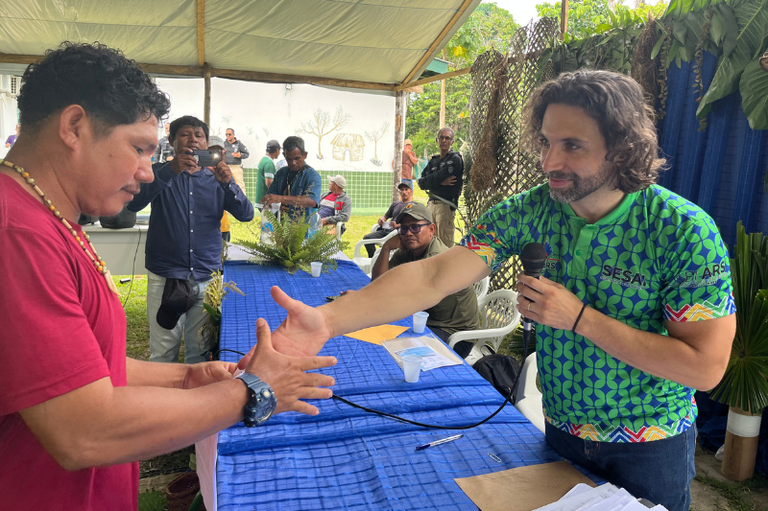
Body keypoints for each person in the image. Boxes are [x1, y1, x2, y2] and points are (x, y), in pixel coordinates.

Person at [264, 70, 737, 511]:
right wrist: (327, 320)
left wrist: (580, 319)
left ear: (622, 148)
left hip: (649, 446)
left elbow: (705, 367)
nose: (551, 162)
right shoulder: (530, 211)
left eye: (572, 145)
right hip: (560, 430)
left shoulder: (681, 231)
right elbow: (432, 276)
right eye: (547, 143)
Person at [0, 41, 336, 511]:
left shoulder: (42, 217)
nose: (143, 171)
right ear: (74, 127)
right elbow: (84, 430)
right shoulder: (17, 232)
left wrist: (186, 378)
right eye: (139, 148)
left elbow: (92, 369)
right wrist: (253, 391)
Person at [127, 116, 254, 364]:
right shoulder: (157, 173)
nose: (193, 140)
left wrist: (229, 184)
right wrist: (172, 170)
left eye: (199, 135)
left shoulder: (217, 179)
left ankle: (195, 401)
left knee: (200, 352)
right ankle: (163, 402)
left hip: (206, 276)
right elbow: (133, 204)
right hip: (166, 276)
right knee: (163, 352)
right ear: (173, 141)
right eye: (185, 134)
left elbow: (247, 215)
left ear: (206, 143)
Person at [371, 202, 479, 356]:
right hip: (426, 321)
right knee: (378, 337)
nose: (408, 233)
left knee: (390, 349)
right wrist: (386, 248)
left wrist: (365, 301)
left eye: (415, 227)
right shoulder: (408, 250)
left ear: (431, 229)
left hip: (455, 334)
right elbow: (378, 285)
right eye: (404, 228)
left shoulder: (435, 257)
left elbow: (389, 296)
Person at [417, 127, 463, 247]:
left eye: (447, 138)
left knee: (444, 243)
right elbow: (421, 182)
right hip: (431, 204)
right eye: (441, 138)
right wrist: (440, 182)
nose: (444, 140)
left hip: (446, 206)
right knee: (430, 242)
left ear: (452, 142)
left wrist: (432, 181)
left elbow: (431, 178)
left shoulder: (455, 159)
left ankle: (446, 266)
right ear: (437, 140)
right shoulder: (434, 161)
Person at [262, 135, 322, 220]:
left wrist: (282, 198)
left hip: (303, 229)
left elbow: (312, 201)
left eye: (297, 158)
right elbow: (272, 195)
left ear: (305, 155)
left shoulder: (312, 176)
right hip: (282, 227)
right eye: (289, 159)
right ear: (284, 155)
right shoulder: (281, 173)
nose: (293, 163)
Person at [361, 181, 413, 257]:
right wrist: (382, 219)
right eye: (402, 190)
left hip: (397, 232)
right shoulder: (396, 204)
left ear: (411, 192)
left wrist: (398, 224)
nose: (404, 192)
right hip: (385, 229)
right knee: (367, 238)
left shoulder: (412, 205)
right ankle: (373, 259)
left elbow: (412, 222)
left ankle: (378, 260)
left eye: (406, 189)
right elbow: (385, 216)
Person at [223, 127, 248, 191]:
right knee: (224, 184)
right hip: (226, 167)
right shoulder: (223, 144)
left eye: (229, 134)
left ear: (233, 135)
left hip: (236, 167)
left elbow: (247, 154)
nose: (228, 136)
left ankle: (242, 200)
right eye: (226, 134)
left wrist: (240, 155)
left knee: (240, 185)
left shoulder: (238, 144)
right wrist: (221, 153)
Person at [256, 139, 280, 204]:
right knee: (271, 214)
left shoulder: (263, 160)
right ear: (277, 150)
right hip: (266, 202)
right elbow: (269, 183)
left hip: (261, 199)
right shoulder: (269, 163)